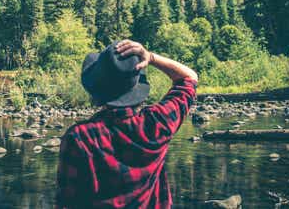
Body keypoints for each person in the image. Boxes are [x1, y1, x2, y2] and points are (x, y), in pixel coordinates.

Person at [56, 39, 198, 208]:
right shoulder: (158, 122)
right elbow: (189, 78)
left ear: (97, 93)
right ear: (136, 89)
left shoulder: (80, 137)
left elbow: (66, 201)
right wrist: (151, 57)